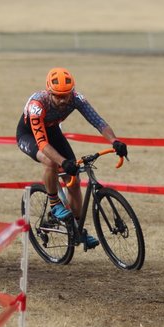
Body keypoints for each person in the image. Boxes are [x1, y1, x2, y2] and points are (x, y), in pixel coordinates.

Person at [16, 67, 129, 250]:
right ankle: (54, 203)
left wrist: (115, 141)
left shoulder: (76, 99)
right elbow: (43, 144)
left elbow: (98, 122)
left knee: (74, 180)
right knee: (51, 161)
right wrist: (63, 162)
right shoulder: (37, 105)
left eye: (66, 96)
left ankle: (76, 230)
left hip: (52, 131)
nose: (62, 100)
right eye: (58, 96)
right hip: (30, 136)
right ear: (49, 92)